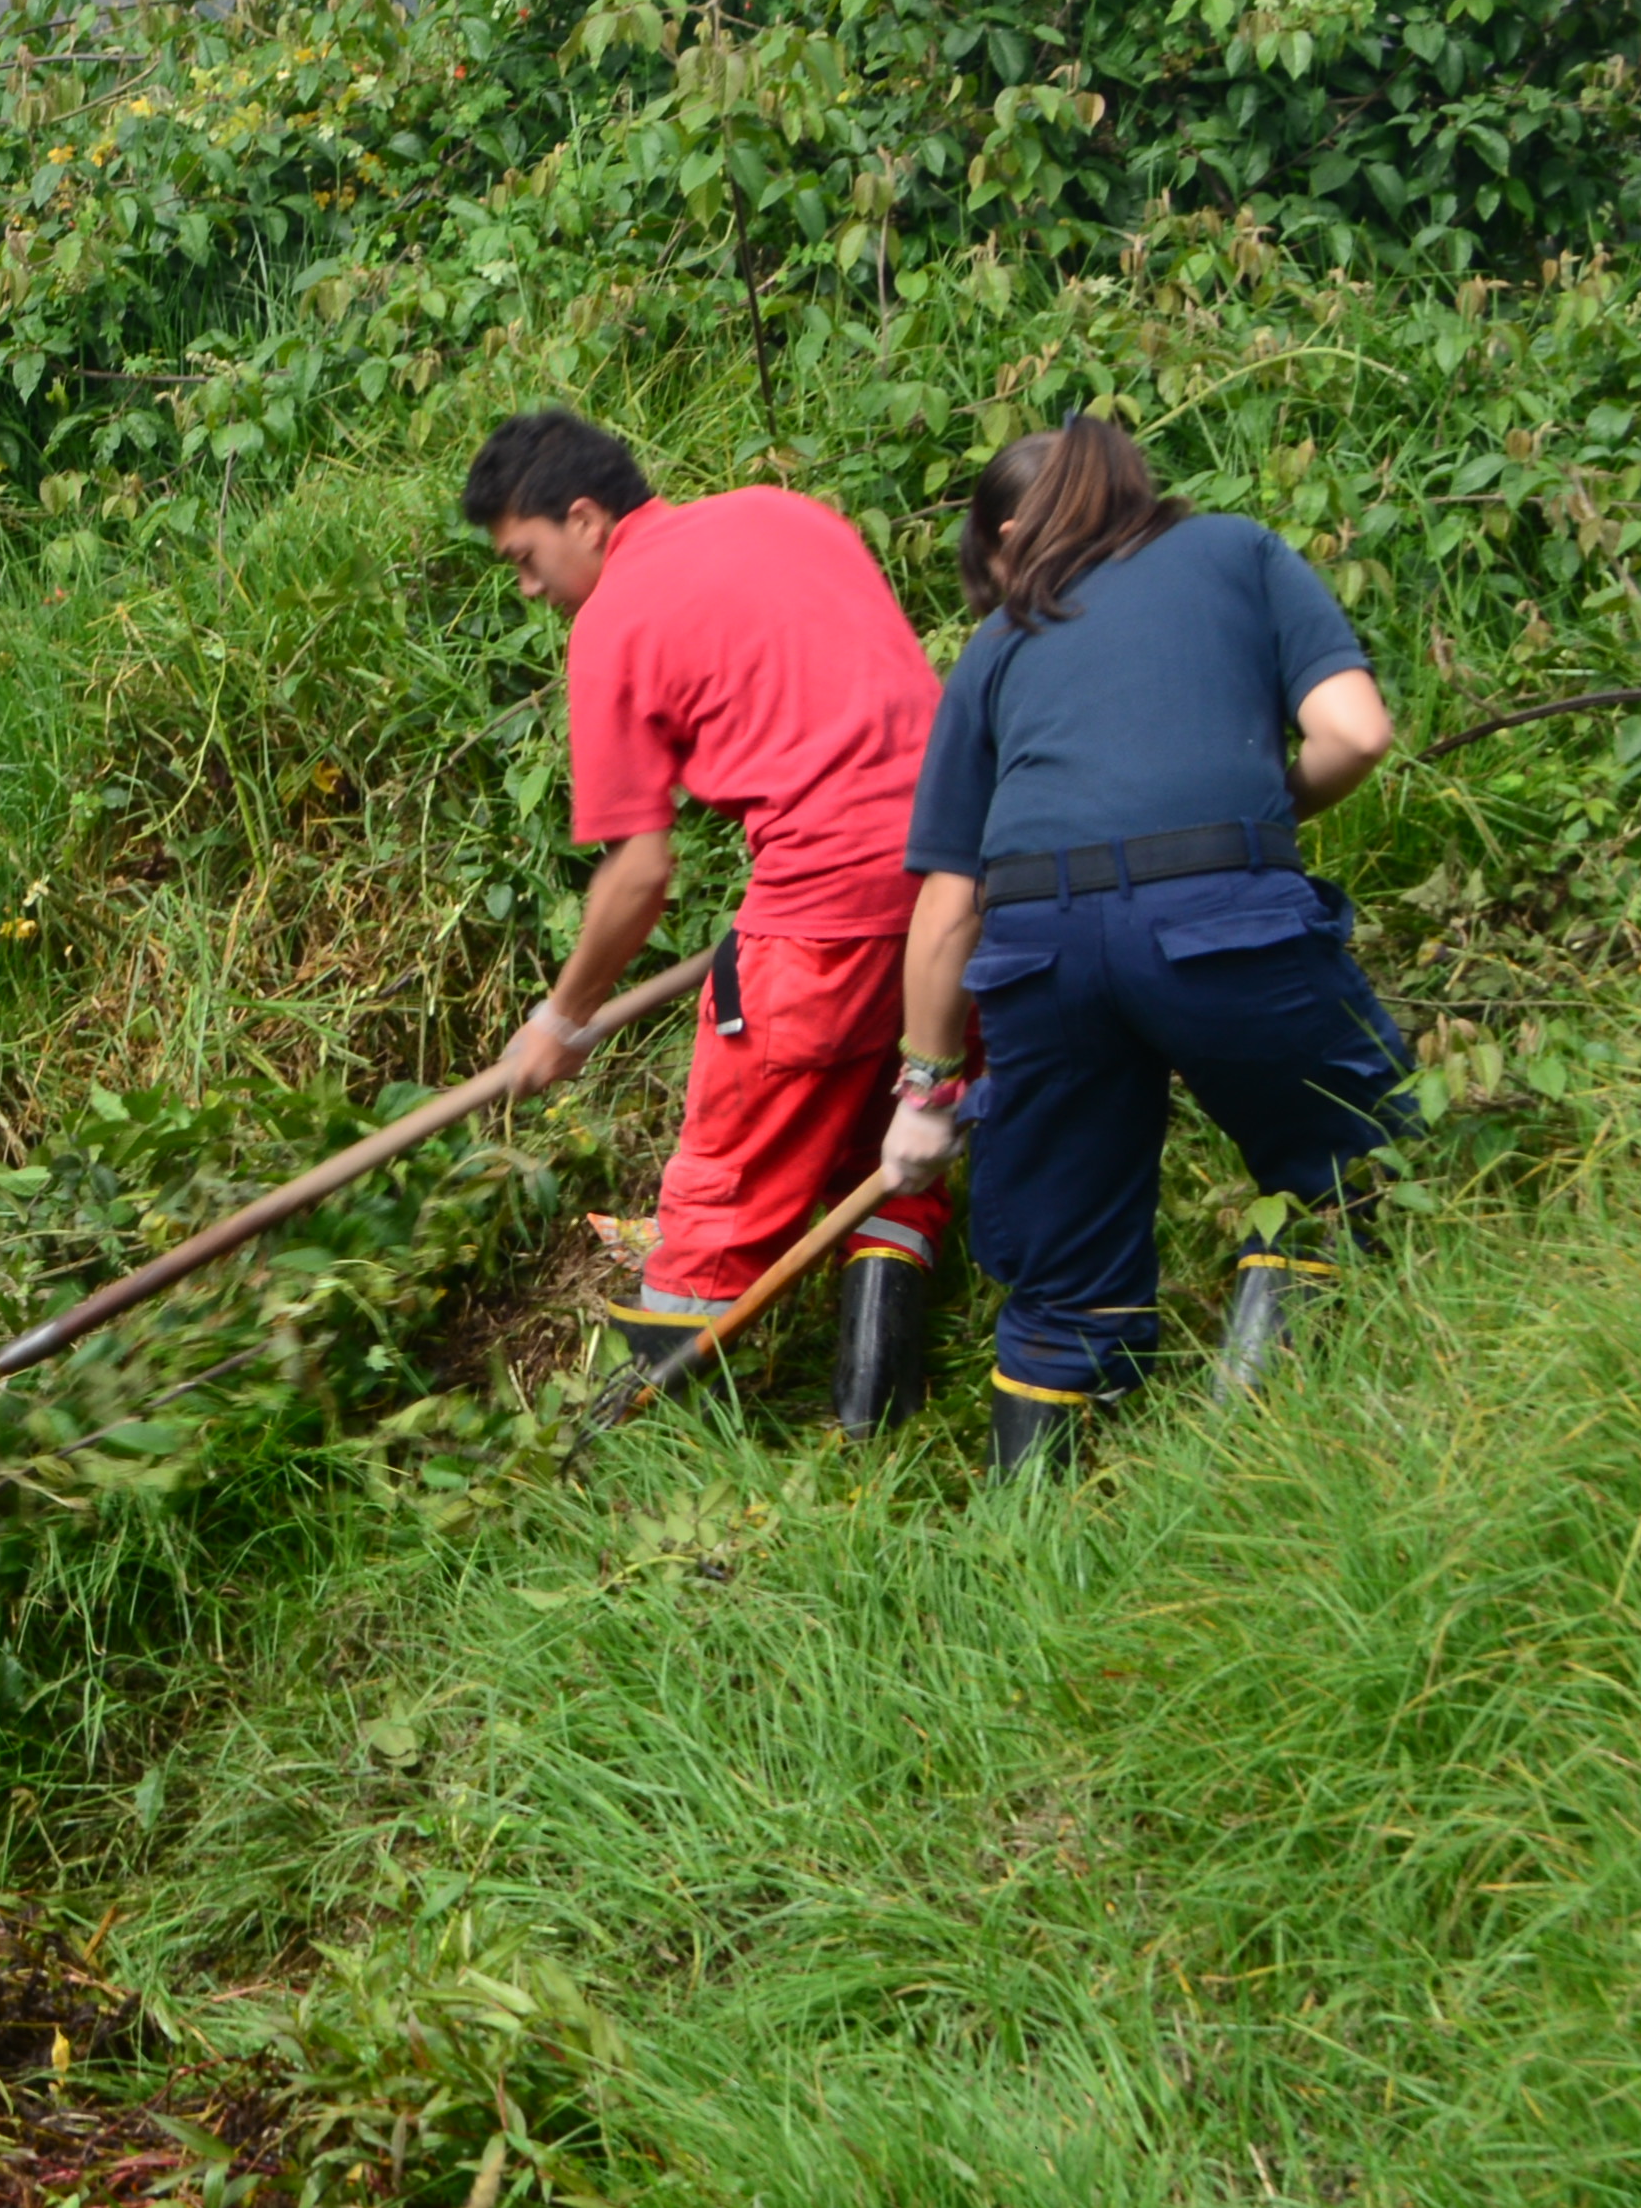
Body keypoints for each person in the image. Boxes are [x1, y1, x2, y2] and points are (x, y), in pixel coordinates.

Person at [873, 413, 1408, 1473]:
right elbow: (1356, 732)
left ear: (1012, 537)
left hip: (1038, 950)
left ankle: (1030, 1535)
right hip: (1221, 922)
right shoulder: (1238, 550)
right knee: (1349, 1159)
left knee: (1064, 1272)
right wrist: (1248, 822)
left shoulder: (995, 645)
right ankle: (1251, 1470)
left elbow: (949, 900)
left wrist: (924, 1095)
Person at [466, 409, 956, 1435]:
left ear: (584, 518)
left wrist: (561, 1019)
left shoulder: (614, 621)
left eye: (525, 558)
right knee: (884, 1154)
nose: (529, 587)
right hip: (958, 892)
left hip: (821, 919)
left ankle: (659, 1466)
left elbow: (640, 875)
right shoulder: (784, 514)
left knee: (718, 1201)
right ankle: (875, 1431)